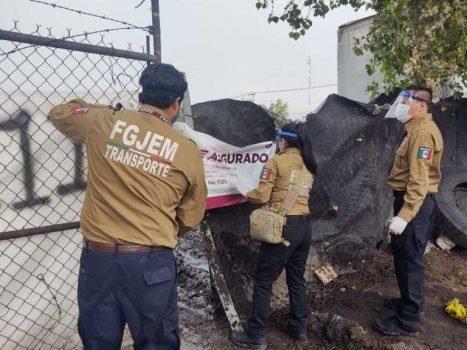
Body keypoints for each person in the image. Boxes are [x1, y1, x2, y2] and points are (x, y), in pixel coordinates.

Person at [48, 62, 207, 350]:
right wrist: (158, 229)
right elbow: (191, 216)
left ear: (141, 94)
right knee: (157, 343)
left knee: (97, 342)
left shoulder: (104, 121)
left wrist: (106, 109)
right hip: (152, 264)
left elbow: (59, 113)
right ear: (176, 103)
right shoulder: (187, 150)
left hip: (99, 260)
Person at [230, 122, 317, 349]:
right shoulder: (308, 164)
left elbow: (262, 195)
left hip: (283, 227)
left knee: (263, 280)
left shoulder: (276, 161)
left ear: (284, 140)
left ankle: (256, 335)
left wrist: (245, 191)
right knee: (296, 279)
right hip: (304, 227)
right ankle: (299, 330)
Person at [376, 86, 443, 336]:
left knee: (409, 261)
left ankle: (408, 320)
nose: (403, 105)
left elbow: (419, 181)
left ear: (421, 105)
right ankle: (410, 303)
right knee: (405, 258)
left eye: (407, 101)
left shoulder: (423, 133)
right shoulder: (413, 128)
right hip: (411, 202)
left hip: (414, 204)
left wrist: (404, 216)